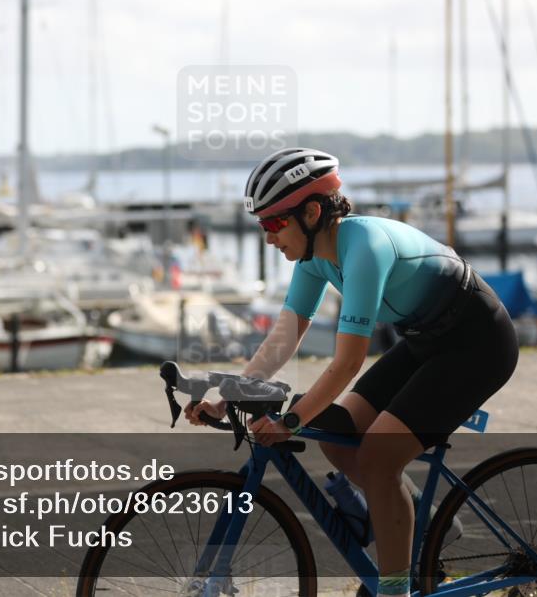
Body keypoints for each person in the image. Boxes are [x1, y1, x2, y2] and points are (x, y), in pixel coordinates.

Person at [185, 147, 519, 597]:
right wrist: (227, 397)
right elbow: (284, 338)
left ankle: (395, 590)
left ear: (311, 212)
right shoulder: (313, 259)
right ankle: (428, 524)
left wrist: (290, 421)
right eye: (262, 226)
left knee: (378, 458)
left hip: (478, 343)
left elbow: (347, 363)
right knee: (336, 433)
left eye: (274, 224)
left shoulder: (365, 248)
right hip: (425, 340)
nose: (268, 238)